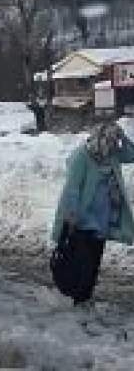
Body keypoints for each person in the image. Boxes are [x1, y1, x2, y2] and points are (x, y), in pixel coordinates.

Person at [53, 122, 134, 306]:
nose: (113, 146)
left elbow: (132, 154)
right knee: (81, 260)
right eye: (110, 141)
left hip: (102, 220)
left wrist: (123, 138)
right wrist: (71, 215)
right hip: (81, 220)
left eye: (115, 142)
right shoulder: (83, 156)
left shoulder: (111, 155)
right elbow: (72, 188)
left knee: (94, 262)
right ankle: (74, 294)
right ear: (100, 138)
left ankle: (84, 296)